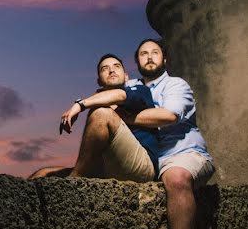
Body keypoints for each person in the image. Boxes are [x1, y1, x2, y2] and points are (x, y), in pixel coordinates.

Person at [124, 38, 215, 229]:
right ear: (137, 61)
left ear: (164, 59)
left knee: (176, 178)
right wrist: (81, 104)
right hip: (150, 157)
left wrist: (127, 117)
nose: (150, 56)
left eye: (155, 52)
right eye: (143, 53)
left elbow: (169, 116)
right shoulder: (131, 86)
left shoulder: (176, 84)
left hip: (183, 152)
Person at [28, 53, 158, 182]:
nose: (111, 70)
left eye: (117, 66)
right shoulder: (97, 101)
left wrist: (79, 105)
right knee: (42, 173)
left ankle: (75, 181)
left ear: (126, 77)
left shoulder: (140, 90)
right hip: (106, 168)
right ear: (99, 81)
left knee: (102, 113)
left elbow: (120, 95)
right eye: (104, 68)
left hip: (142, 168)